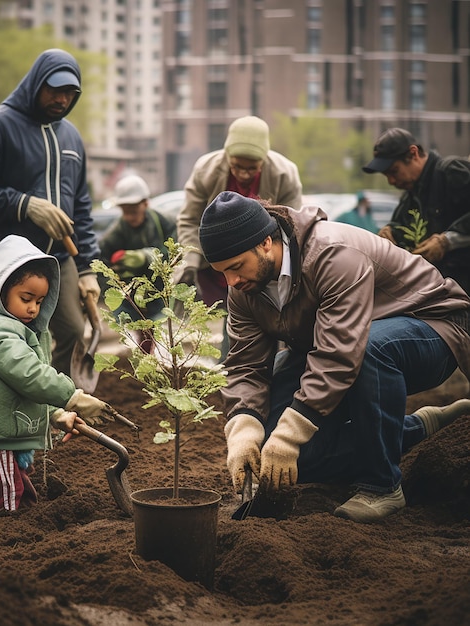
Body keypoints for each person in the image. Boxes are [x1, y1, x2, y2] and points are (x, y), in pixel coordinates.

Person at [198, 191, 470, 523]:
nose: (232, 282)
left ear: (266, 242)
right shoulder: (244, 291)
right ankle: (416, 429)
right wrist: (244, 427)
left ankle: (381, 486)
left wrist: (290, 432)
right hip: (342, 347)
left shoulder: (333, 254)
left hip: (432, 329)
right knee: (292, 459)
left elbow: (339, 353)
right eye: (222, 273)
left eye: (236, 267)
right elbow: (245, 366)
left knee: (370, 348)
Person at [0, 234, 124, 512]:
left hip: (1, 420)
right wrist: (71, 397)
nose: (33, 308)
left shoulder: (21, 329)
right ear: (0, 290)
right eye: (26, 298)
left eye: (40, 301)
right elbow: (29, 376)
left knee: (17, 483)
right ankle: (2, 531)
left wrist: (55, 413)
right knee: (6, 487)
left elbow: (21, 388)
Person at [0, 48, 101, 377]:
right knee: (9, 337)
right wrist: (26, 206)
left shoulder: (71, 136)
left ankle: (54, 409)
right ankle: (4, 413)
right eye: (55, 89)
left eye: (70, 92)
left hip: (59, 259)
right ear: (36, 83)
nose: (62, 99)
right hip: (5, 255)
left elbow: (80, 206)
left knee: (73, 332)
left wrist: (87, 267)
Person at [176, 116, 302, 358]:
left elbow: (291, 224)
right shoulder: (206, 169)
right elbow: (190, 219)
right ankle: (234, 373)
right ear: (227, 157)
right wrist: (190, 261)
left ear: (263, 161)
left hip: (261, 261)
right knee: (237, 320)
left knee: (271, 321)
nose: (244, 174)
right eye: (236, 167)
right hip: (221, 264)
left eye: (252, 168)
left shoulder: (285, 174)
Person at [362, 127, 470, 294]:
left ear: (413, 154)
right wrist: (389, 233)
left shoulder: (451, 171)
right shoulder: (410, 195)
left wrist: (448, 241)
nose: (391, 181)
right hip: (441, 293)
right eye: (386, 175)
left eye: (394, 171)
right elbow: (398, 226)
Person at [99, 174, 177, 351]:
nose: (129, 216)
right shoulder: (117, 230)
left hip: (160, 288)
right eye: (125, 211)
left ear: (145, 204)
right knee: (139, 327)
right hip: (132, 292)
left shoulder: (164, 222)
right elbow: (100, 258)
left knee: (161, 325)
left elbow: (175, 252)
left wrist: (146, 257)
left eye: (134, 211)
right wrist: (113, 281)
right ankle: (144, 355)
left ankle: (155, 357)